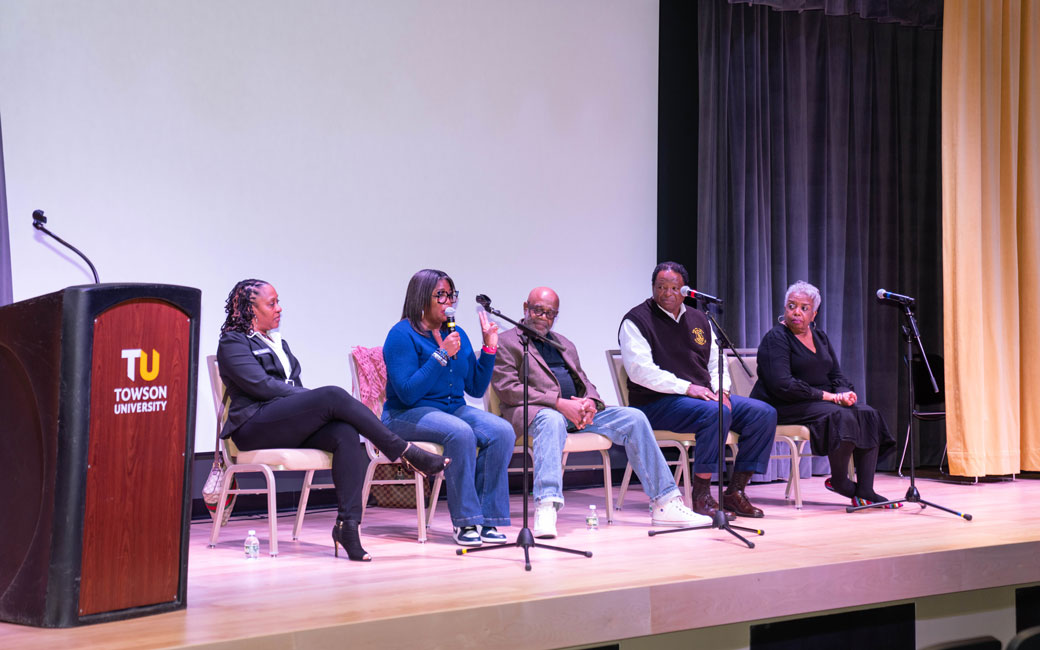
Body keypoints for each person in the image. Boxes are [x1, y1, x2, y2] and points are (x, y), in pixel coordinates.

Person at [217, 279, 449, 562]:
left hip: (283, 423)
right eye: (272, 303)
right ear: (251, 309)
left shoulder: (279, 342)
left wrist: (304, 402)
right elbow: (262, 387)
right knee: (332, 396)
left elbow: (289, 389)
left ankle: (348, 526)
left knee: (344, 433)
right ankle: (405, 451)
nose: (279, 309)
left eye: (278, 301)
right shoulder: (232, 342)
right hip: (253, 426)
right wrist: (308, 398)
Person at [491, 287, 711, 538]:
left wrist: (591, 403)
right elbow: (509, 389)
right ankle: (546, 505)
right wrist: (559, 403)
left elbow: (585, 382)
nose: (543, 317)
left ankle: (666, 504)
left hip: (574, 412)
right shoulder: (509, 342)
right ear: (525, 308)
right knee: (551, 419)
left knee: (634, 417)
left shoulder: (564, 344)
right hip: (536, 414)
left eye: (550, 313)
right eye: (538, 310)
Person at [619, 262, 777, 519]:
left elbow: (716, 362)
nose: (667, 293)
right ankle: (702, 495)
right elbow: (641, 371)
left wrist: (722, 392)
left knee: (763, 413)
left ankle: (735, 492)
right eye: (661, 287)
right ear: (652, 288)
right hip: (656, 402)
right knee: (715, 414)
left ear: (685, 290)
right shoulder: (636, 320)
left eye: (674, 288)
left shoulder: (699, 318)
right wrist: (687, 388)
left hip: (701, 397)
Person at [381, 269, 514, 547]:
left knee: (502, 430)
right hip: (405, 414)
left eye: (451, 294)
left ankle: (489, 520)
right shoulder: (401, 335)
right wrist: (441, 355)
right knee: (460, 433)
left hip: (451, 409)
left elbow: (475, 389)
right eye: (440, 295)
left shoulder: (457, 333)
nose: (448, 301)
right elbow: (406, 393)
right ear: (421, 298)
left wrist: (489, 350)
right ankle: (466, 523)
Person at [749, 281, 897, 507]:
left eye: (804, 308)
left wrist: (845, 393)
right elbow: (783, 385)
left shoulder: (821, 337)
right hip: (781, 405)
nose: (796, 312)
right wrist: (829, 397)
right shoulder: (776, 338)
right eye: (791, 306)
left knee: (868, 414)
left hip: (817, 403)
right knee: (841, 416)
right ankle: (840, 482)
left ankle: (866, 490)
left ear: (814, 313)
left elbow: (836, 374)